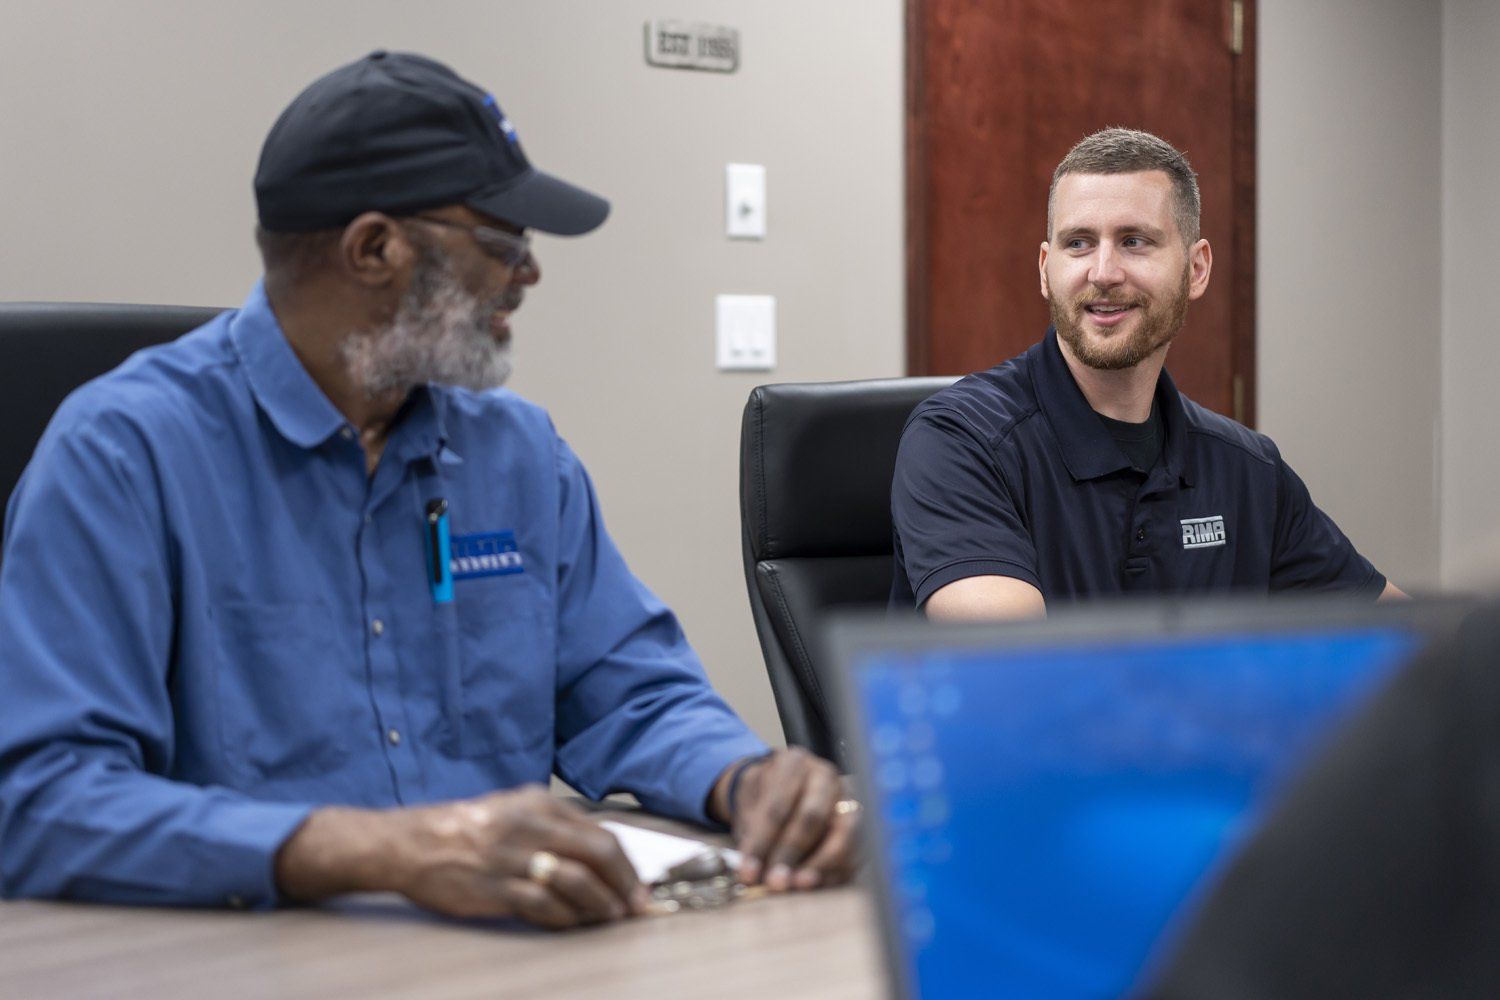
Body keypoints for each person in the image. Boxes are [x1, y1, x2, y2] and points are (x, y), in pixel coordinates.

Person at [0, 51, 857, 929]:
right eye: (502, 244)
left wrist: (746, 779)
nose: (528, 274)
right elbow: (38, 802)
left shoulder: (518, 455)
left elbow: (633, 695)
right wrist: (382, 853)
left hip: (512, 954)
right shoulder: (124, 455)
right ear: (374, 249)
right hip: (243, 957)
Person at [891, 127, 1405, 619]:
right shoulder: (959, 442)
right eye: (1078, 243)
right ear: (1046, 269)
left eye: (1134, 241)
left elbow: (1413, 640)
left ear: (1196, 269)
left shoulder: (1249, 471)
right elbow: (1013, 665)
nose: (1103, 273)